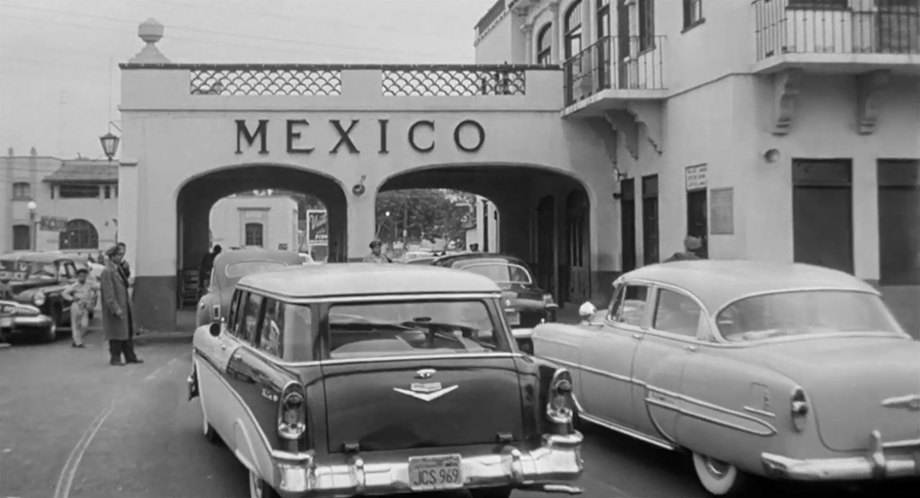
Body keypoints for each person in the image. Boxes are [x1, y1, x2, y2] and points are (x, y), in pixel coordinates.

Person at [100, 244, 142, 366]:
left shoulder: (118, 268)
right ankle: (115, 357)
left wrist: (125, 268)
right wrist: (115, 308)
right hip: (117, 306)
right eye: (118, 255)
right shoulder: (107, 272)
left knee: (127, 332)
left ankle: (130, 356)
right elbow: (109, 293)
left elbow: (126, 280)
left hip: (125, 305)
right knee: (116, 335)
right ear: (112, 256)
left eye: (122, 255)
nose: (121, 257)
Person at [62, 268, 99, 348]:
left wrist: (94, 296)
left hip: (85, 306)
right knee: (75, 325)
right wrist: (71, 298)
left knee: (84, 325)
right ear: (77, 276)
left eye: (84, 276)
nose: (82, 277)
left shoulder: (89, 284)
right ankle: (78, 342)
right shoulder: (74, 286)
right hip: (76, 305)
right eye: (81, 276)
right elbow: (64, 293)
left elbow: (98, 287)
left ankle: (77, 339)